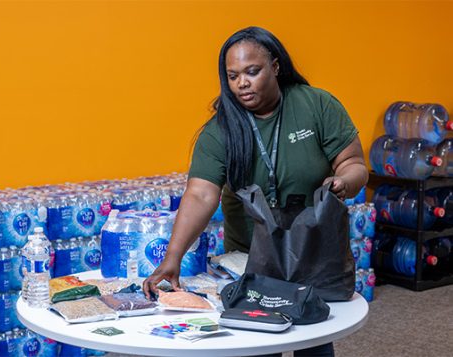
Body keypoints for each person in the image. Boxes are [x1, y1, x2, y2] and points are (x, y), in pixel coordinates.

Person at [143, 26, 369, 357]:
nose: (242, 83)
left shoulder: (317, 105)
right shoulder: (220, 130)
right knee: (259, 344)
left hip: (313, 252)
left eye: (252, 71)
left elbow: (354, 164)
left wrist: (344, 181)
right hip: (252, 257)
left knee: (314, 342)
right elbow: (201, 195)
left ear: (275, 66)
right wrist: (171, 259)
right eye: (233, 76)